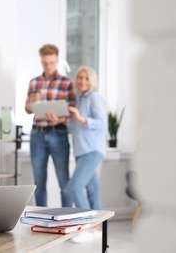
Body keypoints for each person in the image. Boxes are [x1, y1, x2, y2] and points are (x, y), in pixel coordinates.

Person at [24, 44, 75, 207]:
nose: (49, 66)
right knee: (39, 183)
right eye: (45, 62)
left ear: (57, 61)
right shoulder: (34, 83)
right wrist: (34, 106)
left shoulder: (66, 83)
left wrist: (58, 119)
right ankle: (42, 221)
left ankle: (68, 221)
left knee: (64, 183)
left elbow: (72, 111)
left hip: (58, 134)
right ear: (41, 61)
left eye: (52, 62)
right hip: (37, 135)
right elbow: (27, 109)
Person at [67, 66, 107, 243]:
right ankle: (98, 227)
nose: (82, 81)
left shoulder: (95, 98)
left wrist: (82, 118)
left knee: (74, 187)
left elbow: (102, 124)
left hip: (92, 150)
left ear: (92, 81)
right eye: (79, 78)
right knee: (93, 189)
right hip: (81, 151)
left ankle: (87, 228)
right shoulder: (79, 99)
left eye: (86, 78)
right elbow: (74, 126)